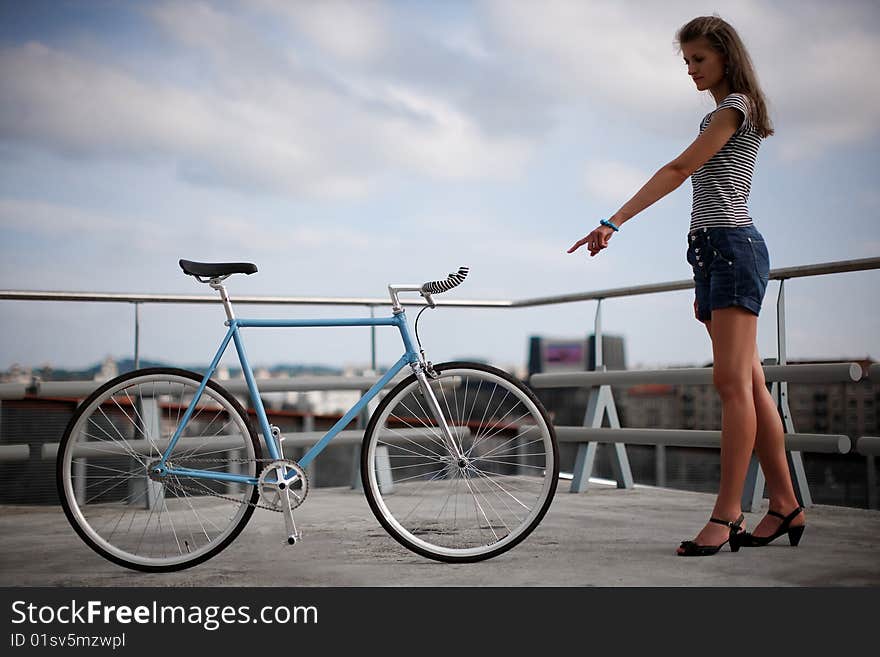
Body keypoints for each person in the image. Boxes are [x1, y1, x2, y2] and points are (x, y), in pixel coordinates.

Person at [567, 15, 806, 556]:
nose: (692, 70)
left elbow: (678, 171)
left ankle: (727, 514)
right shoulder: (722, 114)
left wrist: (613, 221)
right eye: (686, 62)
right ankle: (786, 502)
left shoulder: (733, 110)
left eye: (699, 59)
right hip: (714, 257)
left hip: (732, 251)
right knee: (748, 383)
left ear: (725, 55)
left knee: (731, 386)